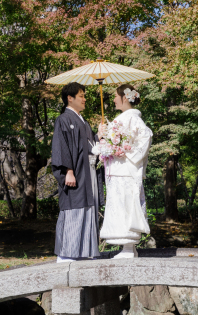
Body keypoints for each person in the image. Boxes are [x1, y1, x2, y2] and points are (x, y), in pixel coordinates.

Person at [95, 84, 152, 259]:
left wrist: (123, 151)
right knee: (123, 205)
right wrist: (103, 136)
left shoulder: (130, 118)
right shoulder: (125, 118)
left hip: (125, 170)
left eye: (115, 96)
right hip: (120, 169)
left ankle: (128, 248)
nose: (113, 99)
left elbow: (146, 137)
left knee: (125, 206)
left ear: (125, 98)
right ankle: (129, 248)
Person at [51, 82, 104, 262]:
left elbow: (87, 146)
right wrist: (68, 171)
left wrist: (98, 136)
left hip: (88, 171)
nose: (84, 99)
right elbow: (62, 146)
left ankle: (85, 251)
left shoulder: (82, 121)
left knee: (89, 207)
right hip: (76, 171)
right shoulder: (64, 119)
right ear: (70, 98)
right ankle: (67, 252)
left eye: (84, 96)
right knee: (75, 206)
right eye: (81, 96)